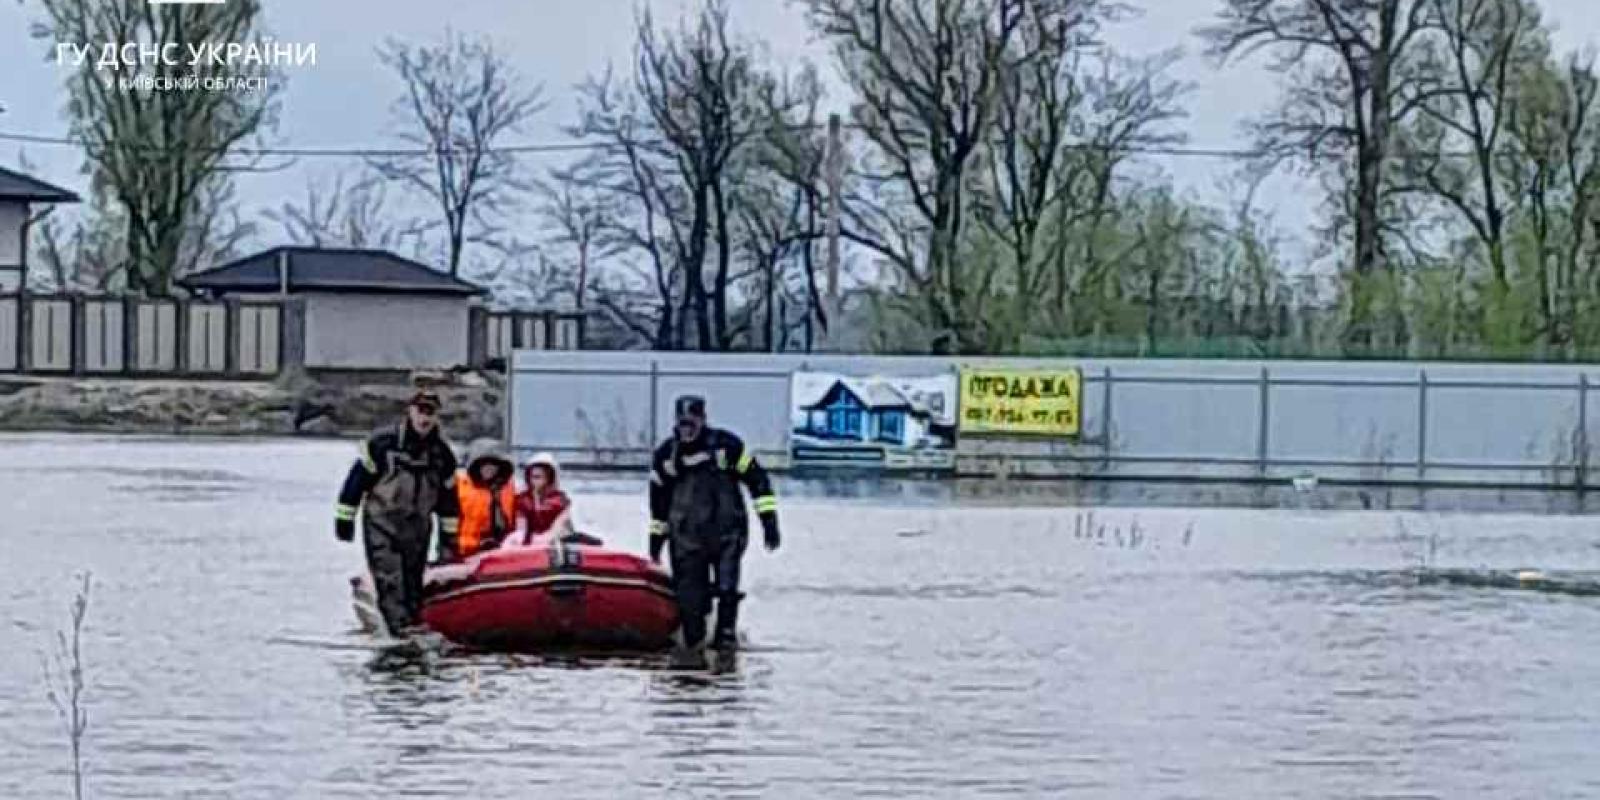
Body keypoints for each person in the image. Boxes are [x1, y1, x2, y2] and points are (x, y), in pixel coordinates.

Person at [647, 394, 781, 654]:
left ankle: (726, 640)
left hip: (727, 533)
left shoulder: (726, 446)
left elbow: (758, 480)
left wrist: (769, 522)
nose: (687, 429)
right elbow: (658, 505)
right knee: (690, 602)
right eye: (682, 423)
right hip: (685, 538)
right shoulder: (666, 455)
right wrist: (655, 545)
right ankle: (693, 652)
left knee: (727, 589)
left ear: (702, 419)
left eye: (692, 422)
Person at [335, 390, 460, 636]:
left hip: (418, 529)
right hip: (382, 524)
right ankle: (399, 634)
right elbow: (356, 483)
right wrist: (344, 520)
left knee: (414, 585)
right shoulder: (382, 444)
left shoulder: (442, 454)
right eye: (420, 411)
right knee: (391, 581)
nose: (425, 418)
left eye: (430, 413)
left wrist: (448, 542)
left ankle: (412, 627)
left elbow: (448, 503)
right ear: (410, 411)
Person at [447, 438, 518, 561]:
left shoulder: (510, 489)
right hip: (466, 553)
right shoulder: (459, 487)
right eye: (483, 464)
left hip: (502, 551)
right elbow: (447, 522)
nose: (488, 468)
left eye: (493, 464)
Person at [514, 451, 574, 545]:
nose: (533, 480)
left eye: (538, 477)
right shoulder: (523, 499)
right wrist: (523, 539)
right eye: (532, 476)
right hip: (528, 542)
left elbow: (559, 525)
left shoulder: (560, 500)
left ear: (549, 478)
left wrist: (547, 538)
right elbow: (521, 526)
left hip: (554, 542)